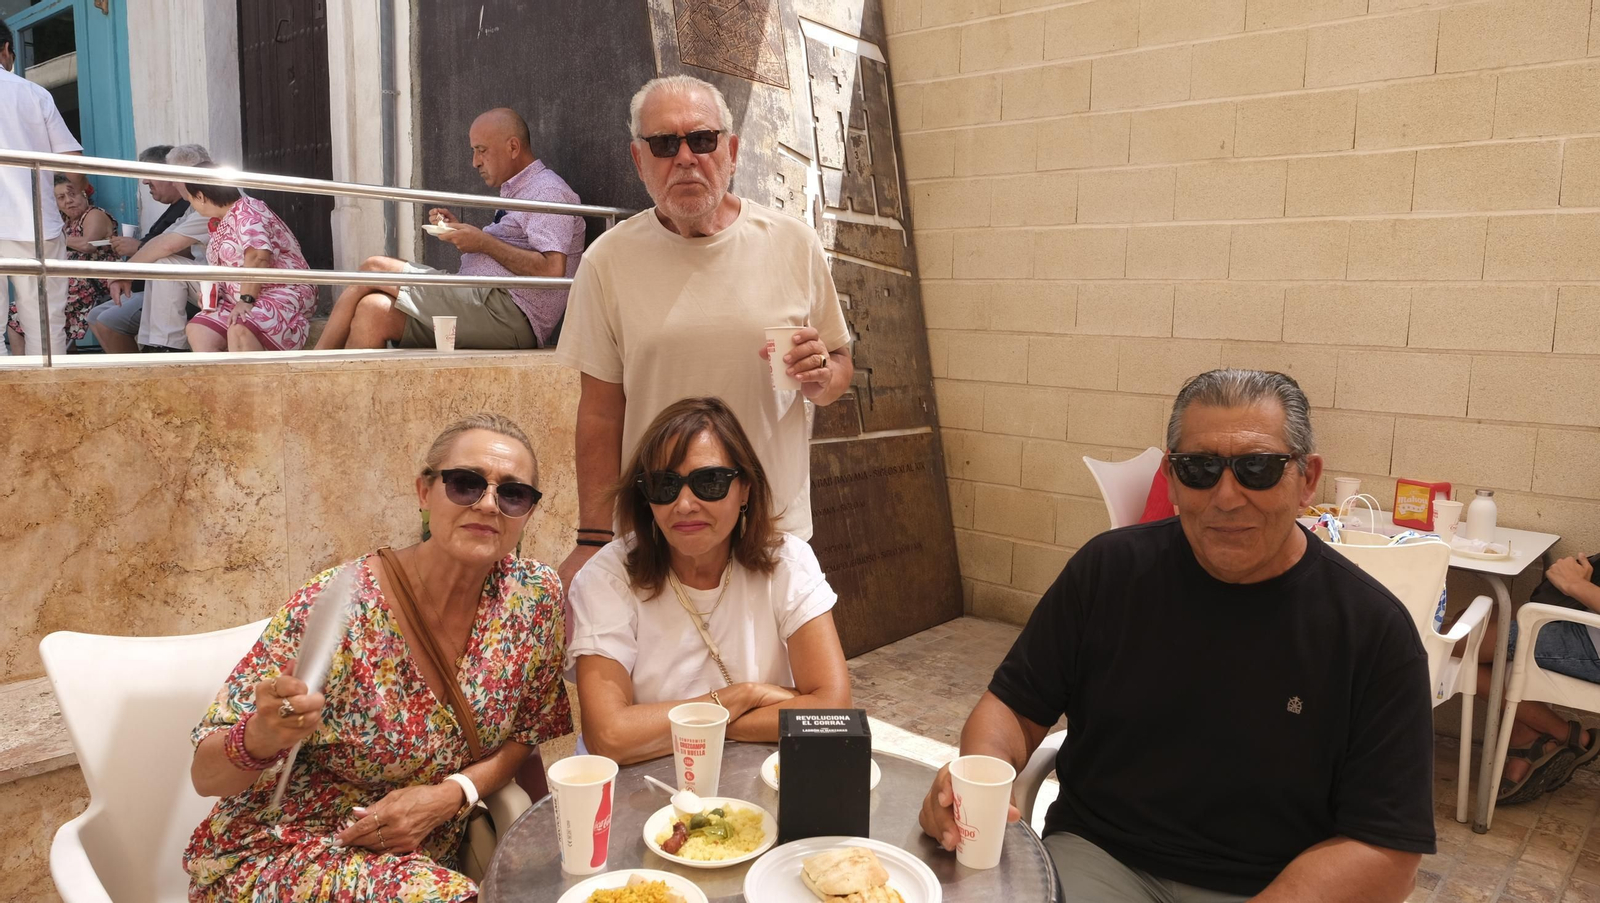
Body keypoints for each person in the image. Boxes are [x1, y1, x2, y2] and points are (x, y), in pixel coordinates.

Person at [919, 369, 1435, 903]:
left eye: (1258, 468)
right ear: (1170, 478)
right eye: (1200, 468)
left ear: (1307, 480)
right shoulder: (1108, 572)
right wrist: (973, 779)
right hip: (1100, 858)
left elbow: (1386, 852)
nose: (1227, 496)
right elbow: (1012, 707)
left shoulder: (1372, 632)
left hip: (1273, 884)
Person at [185, 413, 571, 902]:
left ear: (528, 513)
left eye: (513, 493)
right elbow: (206, 776)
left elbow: (525, 736)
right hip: (288, 850)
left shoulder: (533, 597)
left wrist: (452, 793)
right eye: (465, 484)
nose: (489, 504)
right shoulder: (340, 606)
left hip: (418, 863)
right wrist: (262, 735)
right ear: (424, 492)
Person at [555, 75, 854, 594]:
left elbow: (839, 367)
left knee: (775, 680)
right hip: (660, 533)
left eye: (702, 139)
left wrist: (821, 377)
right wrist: (593, 537)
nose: (686, 158)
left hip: (771, 534)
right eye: (665, 144)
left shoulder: (792, 244)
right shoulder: (608, 261)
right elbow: (601, 411)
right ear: (638, 160)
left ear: (732, 150)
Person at [568, 396, 850, 763]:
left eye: (710, 481)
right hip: (643, 783)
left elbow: (830, 711)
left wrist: (708, 724)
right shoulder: (608, 577)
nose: (684, 504)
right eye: (664, 485)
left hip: (754, 773)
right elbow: (609, 736)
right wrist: (743, 697)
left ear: (745, 487)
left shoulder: (787, 562)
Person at [316, 108, 584, 351]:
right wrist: (461, 232)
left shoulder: (546, 191)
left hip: (511, 313)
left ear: (513, 147)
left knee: (374, 268)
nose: (475, 162)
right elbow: (509, 249)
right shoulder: (518, 190)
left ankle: (310, 368)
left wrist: (482, 242)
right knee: (372, 311)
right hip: (485, 305)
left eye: (481, 150)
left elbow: (552, 270)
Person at [1468, 553, 1600, 803]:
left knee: (1457, 643)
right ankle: (1538, 738)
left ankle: (1550, 737)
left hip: (1593, 643)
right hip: (1588, 622)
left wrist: (1577, 585)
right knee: (1472, 618)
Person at [0, 21, 87, 357]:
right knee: (44, 325)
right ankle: (47, 401)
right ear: (7, 50)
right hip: (35, 225)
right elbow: (73, 162)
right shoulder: (33, 93)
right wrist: (76, 196)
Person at [179, 164, 316, 352]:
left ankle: (247, 380)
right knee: (199, 330)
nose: (190, 202)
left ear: (200, 197)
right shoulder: (226, 218)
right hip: (239, 297)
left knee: (240, 327)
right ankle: (220, 381)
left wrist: (246, 299)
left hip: (279, 290)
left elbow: (258, 255)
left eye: (190, 198)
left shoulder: (247, 210)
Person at [97, 144, 216, 353]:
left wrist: (125, 270)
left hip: (233, 286)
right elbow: (162, 239)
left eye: (172, 177)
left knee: (165, 262)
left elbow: (167, 245)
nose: (172, 183)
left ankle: (166, 347)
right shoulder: (194, 204)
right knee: (161, 261)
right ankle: (154, 346)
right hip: (212, 284)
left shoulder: (211, 201)